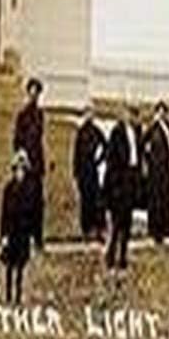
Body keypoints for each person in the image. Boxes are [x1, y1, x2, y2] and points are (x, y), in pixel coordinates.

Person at [12, 77, 47, 253]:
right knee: (24, 203)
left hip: (37, 164)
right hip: (25, 165)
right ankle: (23, 238)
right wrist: (21, 160)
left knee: (38, 203)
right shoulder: (22, 115)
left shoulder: (40, 115)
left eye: (37, 93)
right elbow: (17, 141)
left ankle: (38, 239)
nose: (34, 96)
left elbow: (39, 139)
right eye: (32, 92)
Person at [103, 110, 141, 269]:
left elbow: (138, 158)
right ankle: (110, 255)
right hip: (119, 181)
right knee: (116, 223)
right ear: (125, 116)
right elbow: (111, 160)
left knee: (127, 223)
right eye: (131, 115)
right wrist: (114, 185)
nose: (133, 119)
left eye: (136, 116)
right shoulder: (117, 132)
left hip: (131, 179)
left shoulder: (137, 133)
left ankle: (123, 256)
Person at [0, 150, 32, 305]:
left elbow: (32, 212)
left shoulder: (28, 190)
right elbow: (4, 213)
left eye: (22, 170)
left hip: (22, 233)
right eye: (17, 169)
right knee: (9, 267)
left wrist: (31, 233)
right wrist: (3, 235)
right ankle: (8, 295)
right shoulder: (8, 189)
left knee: (20, 266)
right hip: (11, 232)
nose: (20, 173)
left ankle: (18, 296)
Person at [141, 100, 169, 244]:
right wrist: (149, 158)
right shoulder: (153, 127)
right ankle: (155, 230)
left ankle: (167, 227)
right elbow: (143, 144)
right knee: (156, 200)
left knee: (166, 199)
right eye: (160, 111)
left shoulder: (168, 127)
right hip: (156, 170)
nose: (162, 114)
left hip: (167, 168)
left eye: (164, 111)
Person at [73, 103, 106, 240]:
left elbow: (105, 146)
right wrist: (75, 171)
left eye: (91, 113)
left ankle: (97, 228)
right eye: (87, 113)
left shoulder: (96, 130)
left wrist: (99, 159)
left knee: (96, 199)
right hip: (83, 170)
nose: (89, 116)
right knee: (85, 200)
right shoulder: (81, 132)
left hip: (93, 169)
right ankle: (86, 229)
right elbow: (76, 153)